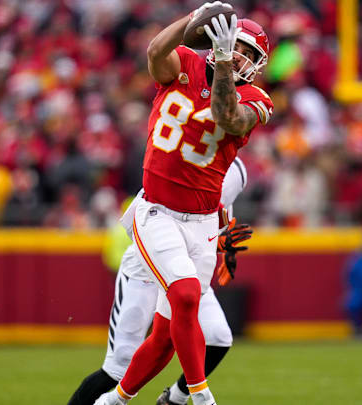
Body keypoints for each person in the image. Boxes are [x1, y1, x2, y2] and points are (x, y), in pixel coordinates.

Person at [94, 3, 273, 405]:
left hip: (202, 223)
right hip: (157, 209)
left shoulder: (256, 97)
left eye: (250, 54)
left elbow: (228, 118)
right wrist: (194, 19)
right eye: (238, 46)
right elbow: (156, 52)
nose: (242, 56)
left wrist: (226, 62)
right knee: (187, 295)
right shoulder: (186, 63)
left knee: (166, 336)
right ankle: (201, 397)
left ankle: (113, 401)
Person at [68, 158, 250, 405]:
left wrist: (225, 247)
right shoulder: (182, 150)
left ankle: (174, 399)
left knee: (218, 337)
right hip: (148, 265)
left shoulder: (235, 169)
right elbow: (149, 214)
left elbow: (217, 222)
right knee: (118, 366)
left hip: (187, 267)